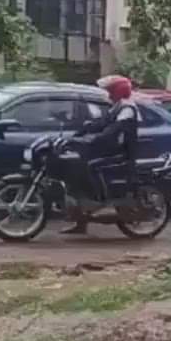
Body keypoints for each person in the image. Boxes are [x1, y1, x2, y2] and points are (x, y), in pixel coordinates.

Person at [60, 75, 140, 235]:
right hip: (111, 148)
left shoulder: (128, 109)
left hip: (122, 152)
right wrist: (81, 132)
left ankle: (101, 202)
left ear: (118, 91)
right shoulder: (117, 106)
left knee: (92, 166)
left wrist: (92, 139)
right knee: (77, 166)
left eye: (110, 91)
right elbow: (101, 123)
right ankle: (81, 221)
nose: (108, 94)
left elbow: (112, 131)